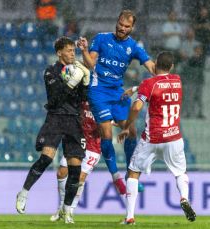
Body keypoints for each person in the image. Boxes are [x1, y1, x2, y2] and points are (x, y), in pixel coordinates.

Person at [76, 10, 155, 194]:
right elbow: (89, 63)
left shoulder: (133, 46)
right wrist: (85, 50)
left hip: (117, 93)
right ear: (117, 22)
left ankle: (130, 174)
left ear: (132, 28)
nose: (122, 28)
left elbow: (151, 66)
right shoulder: (101, 38)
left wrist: (163, 73)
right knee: (107, 132)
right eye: (120, 24)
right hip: (98, 91)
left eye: (127, 26)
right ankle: (115, 176)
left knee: (132, 131)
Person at [15, 36, 90, 224]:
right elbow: (55, 98)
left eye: (74, 50)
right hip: (55, 117)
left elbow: (82, 99)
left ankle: (67, 210)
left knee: (75, 169)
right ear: (59, 53)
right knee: (46, 158)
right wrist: (72, 82)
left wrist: (86, 81)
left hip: (74, 120)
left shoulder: (79, 70)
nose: (73, 53)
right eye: (69, 50)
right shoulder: (51, 71)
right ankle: (23, 193)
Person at [117, 51, 196, 225]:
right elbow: (158, 85)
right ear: (172, 66)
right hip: (174, 137)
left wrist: (126, 126)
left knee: (133, 173)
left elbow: (137, 107)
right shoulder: (177, 81)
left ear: (154, 64)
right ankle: (184, 198)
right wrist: (136, 88)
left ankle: (129, 216)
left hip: (152, 138)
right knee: (180, 173)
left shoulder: (149, 83)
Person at [50, 101, 101, 222]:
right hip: (76, 142)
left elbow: (110, 123)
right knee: (61, 173)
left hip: (92, 147)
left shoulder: (100, 102)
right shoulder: (79, 101)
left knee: (80, 177)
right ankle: (62, 207)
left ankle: (70, 210)